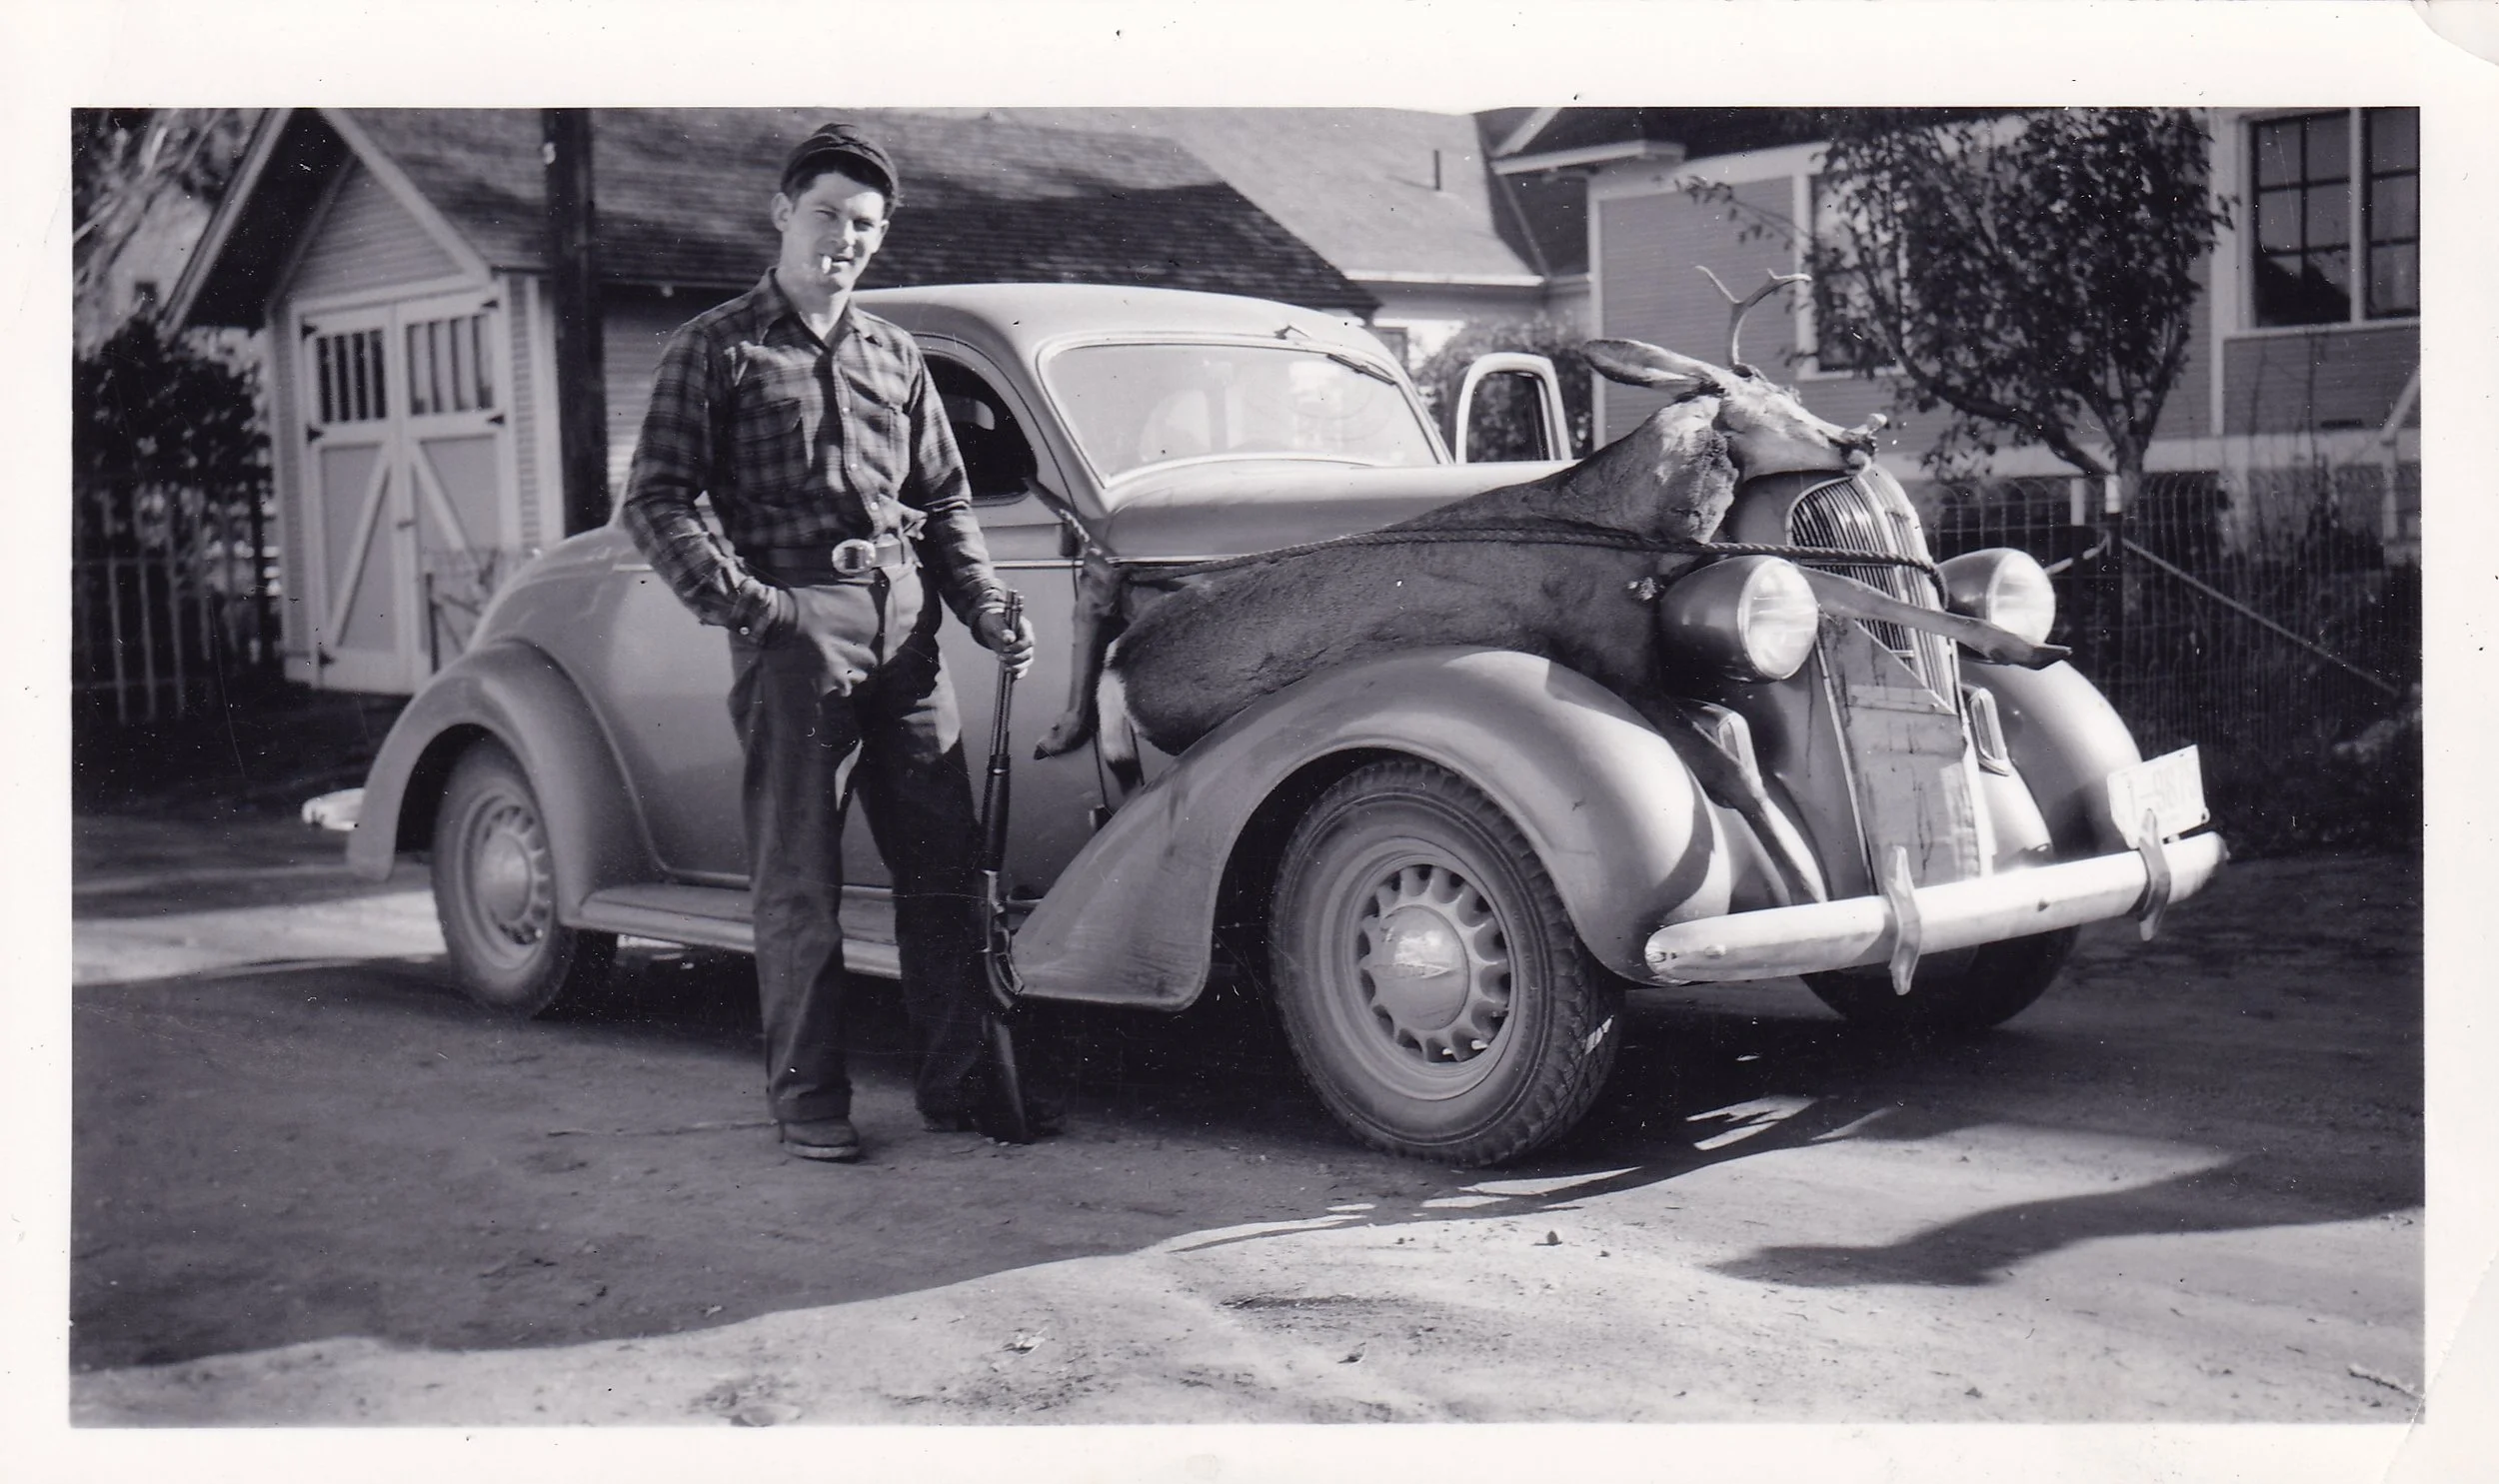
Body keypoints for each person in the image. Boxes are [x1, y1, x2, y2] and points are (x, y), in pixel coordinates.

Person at [620, 121, 1040, 1163]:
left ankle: (961, 1088)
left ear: (880, 236)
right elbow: (657, 501)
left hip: (909, 640)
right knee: (798, 881)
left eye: (863, 225)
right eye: (826, 217)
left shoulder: (898, 357)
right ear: (781, 214)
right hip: (796, 634)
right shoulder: (715, 349)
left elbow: (943, 502)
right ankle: (808, 1100)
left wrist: (984, 605)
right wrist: (759, 610)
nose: (843, 240)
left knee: (944, 873)